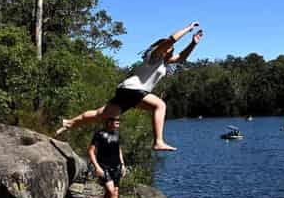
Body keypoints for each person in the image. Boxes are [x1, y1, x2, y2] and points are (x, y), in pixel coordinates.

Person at [56, 22, 204, 151]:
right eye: (170, 49)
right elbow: (172, 39)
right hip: (134, 89)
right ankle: (158, 142)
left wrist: (193, 43)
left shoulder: (163, 62)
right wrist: (188, 28)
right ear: (163, 48)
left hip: (130, 92)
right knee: (160, 105)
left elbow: (182, 57)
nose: (172, 51)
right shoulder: (154, 55)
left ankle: (69, 122)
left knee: (100, 114)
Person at [87, 117, 126, 198]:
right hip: (104, 167)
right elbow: (90, 151)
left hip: (117, 166)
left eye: (119, 119)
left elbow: (119, 149)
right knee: (111, 190)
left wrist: (123, 164)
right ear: (108, 122)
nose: (118, 120)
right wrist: (97, 167)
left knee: (114, 192)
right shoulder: (99, 134)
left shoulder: (117, 134)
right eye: (115, 119)